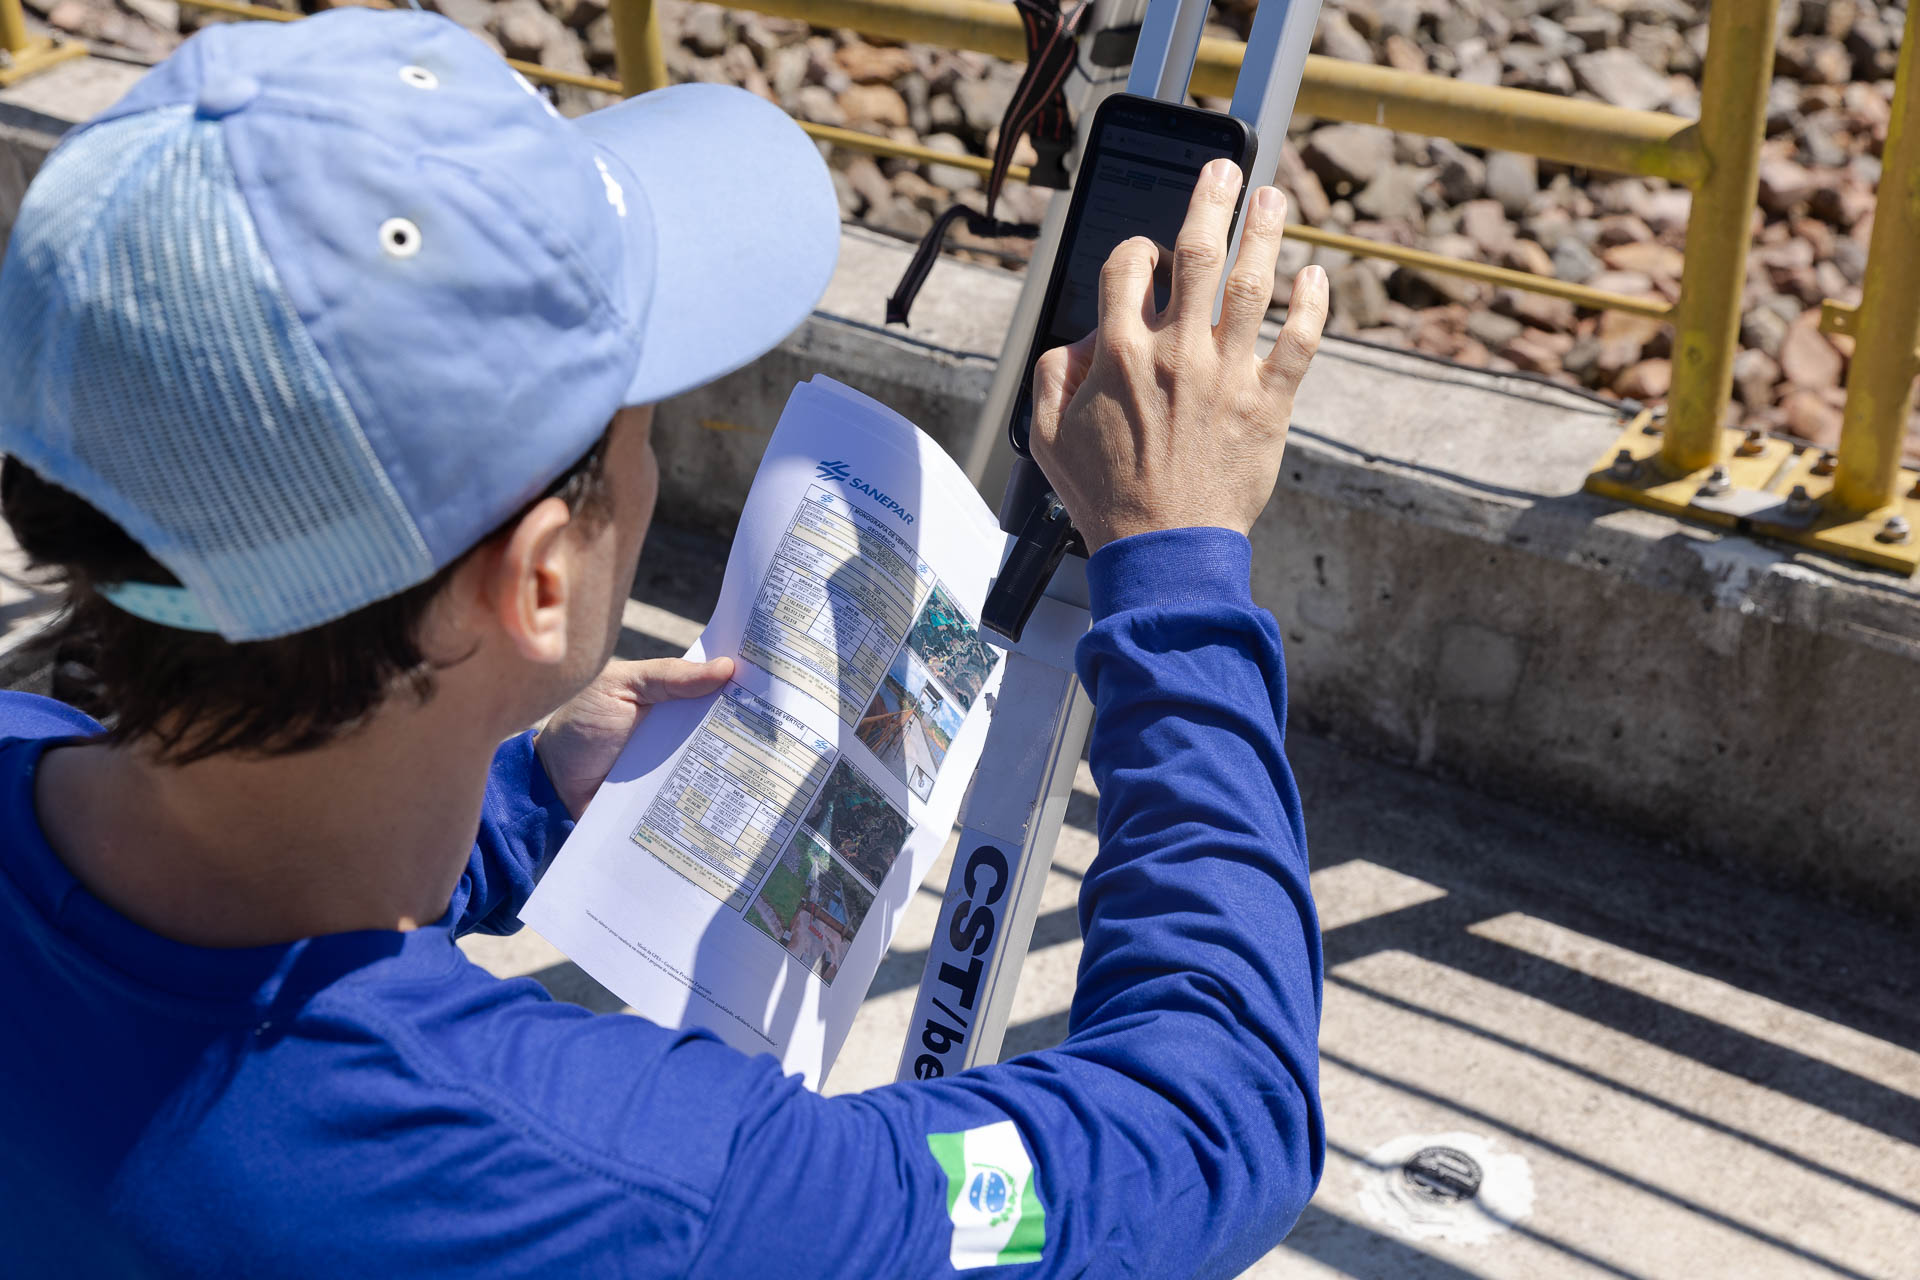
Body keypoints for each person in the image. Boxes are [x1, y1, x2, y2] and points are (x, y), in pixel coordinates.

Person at [0, 8, 1330, 1278]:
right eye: (639, 418)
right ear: (537, 581)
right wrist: (1179, 564)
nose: (645, 463)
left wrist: (518, 807)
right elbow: (1215, 1121)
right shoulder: (641, 1191)